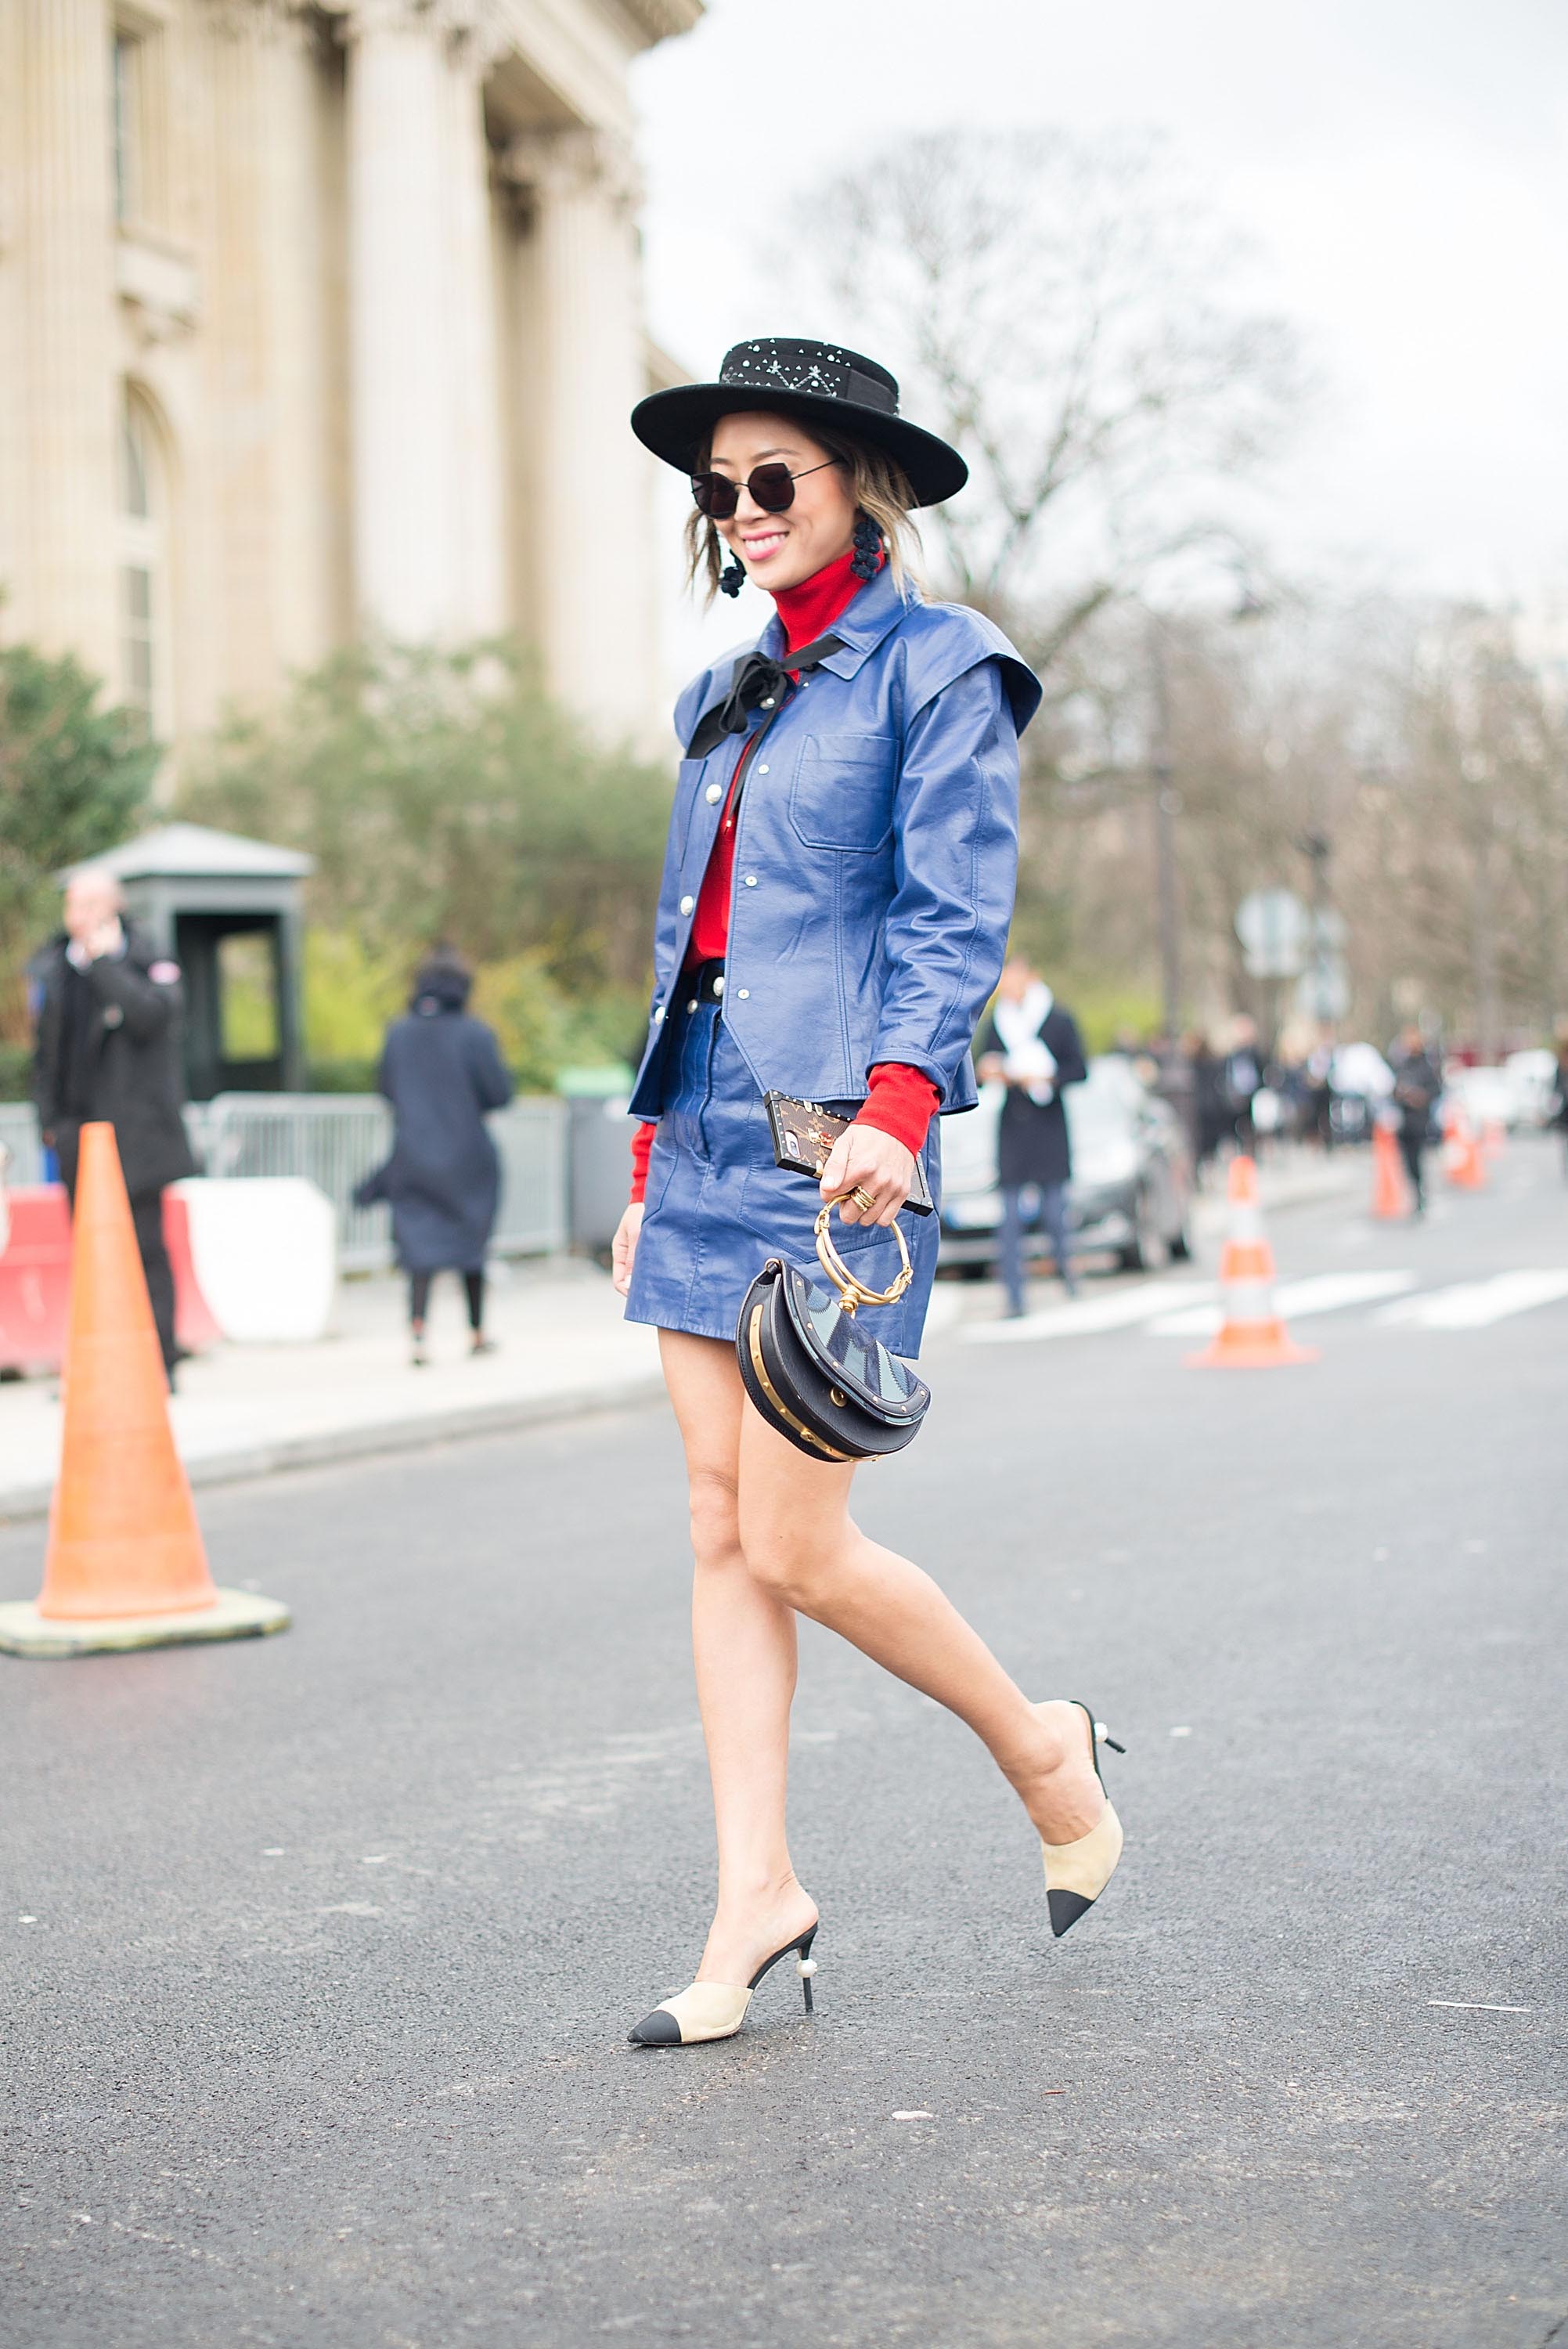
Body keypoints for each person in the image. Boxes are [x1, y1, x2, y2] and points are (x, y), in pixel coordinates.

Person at [609, 337, 1124, 2050]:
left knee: (794, 1540)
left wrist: (901, 1102)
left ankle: (1039, 1747)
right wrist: (634, 1160)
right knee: (711, 1527)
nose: (741, 511)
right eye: (718, 487)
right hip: (693, 1146)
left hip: (839, 1154)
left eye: (772, 479)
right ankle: (752, 1889)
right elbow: (690, 944)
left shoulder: (939, 671)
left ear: (854, 482)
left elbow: (947, 912)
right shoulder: (719, 694)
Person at [29, 867, 196, 1379]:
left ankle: (160, 1359)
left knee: (146, 1246)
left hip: (138, 1135)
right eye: (71, 907)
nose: (75, 917)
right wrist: (50, 1119)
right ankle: (106, 1364)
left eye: (85, 906)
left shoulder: (148, 956)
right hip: (80, 1133)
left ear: (110, 908)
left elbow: (151, 1017)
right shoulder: (56, 967)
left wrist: (104, 963)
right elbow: (47, 1054)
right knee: (93, 1253)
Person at [359, 951, 513, 1366]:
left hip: (412, 1155)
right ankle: (477, 1332)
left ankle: (418, 1335)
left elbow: (386, 1089)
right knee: (471, 1246)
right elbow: (500, 1094)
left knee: (418, 1249)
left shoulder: (398, 1034)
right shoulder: (475, 1034)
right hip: (468, 1158)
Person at [975, 958, 1087, 1314]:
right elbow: (982, 1067)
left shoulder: (1058, 1018)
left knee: (1055, 1214)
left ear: (1031, 979)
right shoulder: (997, 1023)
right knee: (1008, 1218)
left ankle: (1067, 1273)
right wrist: (993, 1072)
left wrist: (1047, 1081)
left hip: (1049, 1127)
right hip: (1013, 1127)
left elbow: (1079, 1069)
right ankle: (1014, 1296)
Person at [1387, 1023, 1442, 1214]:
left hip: (1420, 1121)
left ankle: (1420, 1193)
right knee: (1406, 1161)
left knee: (1418, 1159)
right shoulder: (1402, 1065)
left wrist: (1421, 1097)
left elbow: (1436, 1090)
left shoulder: (1427, 1066)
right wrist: (1402, 1094)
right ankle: (1414, 1189)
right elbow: (1392, 1090)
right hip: (1404, 1121)